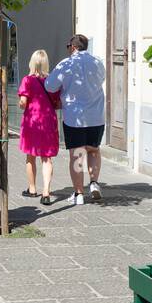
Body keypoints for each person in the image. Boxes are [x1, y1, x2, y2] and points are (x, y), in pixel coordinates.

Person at [44, 34, 107, 206]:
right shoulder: (97, 62)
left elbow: (49, 85)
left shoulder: (66, 64)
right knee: (94, 150)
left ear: (72, 47)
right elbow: (102, 79)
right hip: (96, 115)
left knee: (77, 155)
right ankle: (94, 183)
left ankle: (79, 193)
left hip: (74, 117)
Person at [18, 49, 62, 204]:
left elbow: (23, 102)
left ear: (32, 63)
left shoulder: (27, 80)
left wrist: (22, 104)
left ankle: (32, 189)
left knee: (30, 156)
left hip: (32, 121)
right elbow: (57, 103)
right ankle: (46, 192)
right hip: (48, 121)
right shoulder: (51, 81)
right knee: (46, 158)